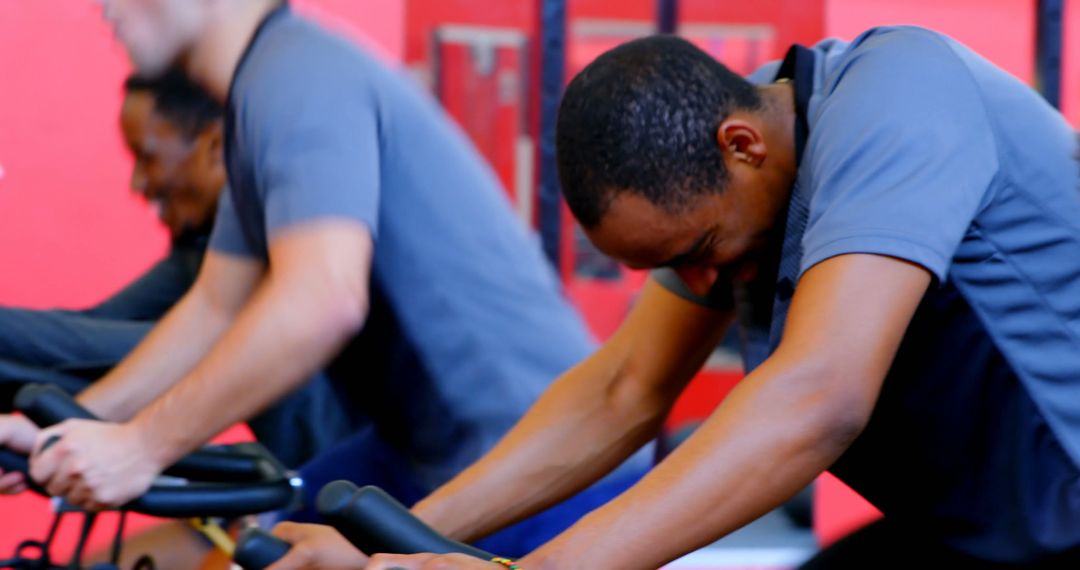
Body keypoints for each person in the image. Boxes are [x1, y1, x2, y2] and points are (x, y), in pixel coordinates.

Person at [270, 28, 1080, 570]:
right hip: (988, 527)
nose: (701, 289)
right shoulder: (731, 158)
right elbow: (624, 388)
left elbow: (819, 395)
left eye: (697, 255)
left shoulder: (901, 99)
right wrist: (403, 544)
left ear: (742, 147)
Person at [0, 0, 647, 562]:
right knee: (259, 546)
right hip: (416, 453)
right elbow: (213, 310)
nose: (104, 6)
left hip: (540, 465)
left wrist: (138, 449)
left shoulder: (298, 78)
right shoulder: (263, 92)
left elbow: (321, 301)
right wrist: (82, 428)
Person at [0, 70, 349, 471]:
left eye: (148, 157)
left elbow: (195, 349)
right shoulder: (202, 244)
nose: (137, 182)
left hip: (355, 486)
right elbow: (89, 339)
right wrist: (27, 431)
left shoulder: (290, 226)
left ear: (216, 147)